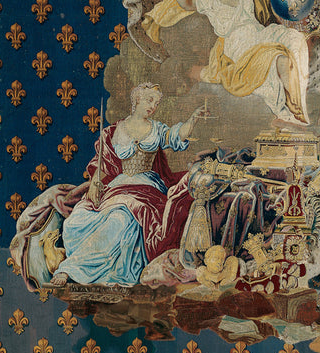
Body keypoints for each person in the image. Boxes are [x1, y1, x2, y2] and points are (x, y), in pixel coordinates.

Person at [48, 83, 207, 287]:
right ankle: (89, 265)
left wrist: (193, 119)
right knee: (75, 222)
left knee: (120, 219)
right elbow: (103, 164)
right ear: (137, 99)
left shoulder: (156, 129)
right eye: (150, 100)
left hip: (146, 188)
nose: (153, 106)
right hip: (119, 186)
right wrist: (95, 183)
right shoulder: (113, 131)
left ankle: (71, 268)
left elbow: (178, 135)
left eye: (156, 103)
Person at [165, 0, 311, 126]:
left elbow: (258, 17)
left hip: (259, 35)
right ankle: (287, 112)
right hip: (239, 44)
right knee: (280, 61)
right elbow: (188, 4)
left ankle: (297, 111)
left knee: (295, 39)